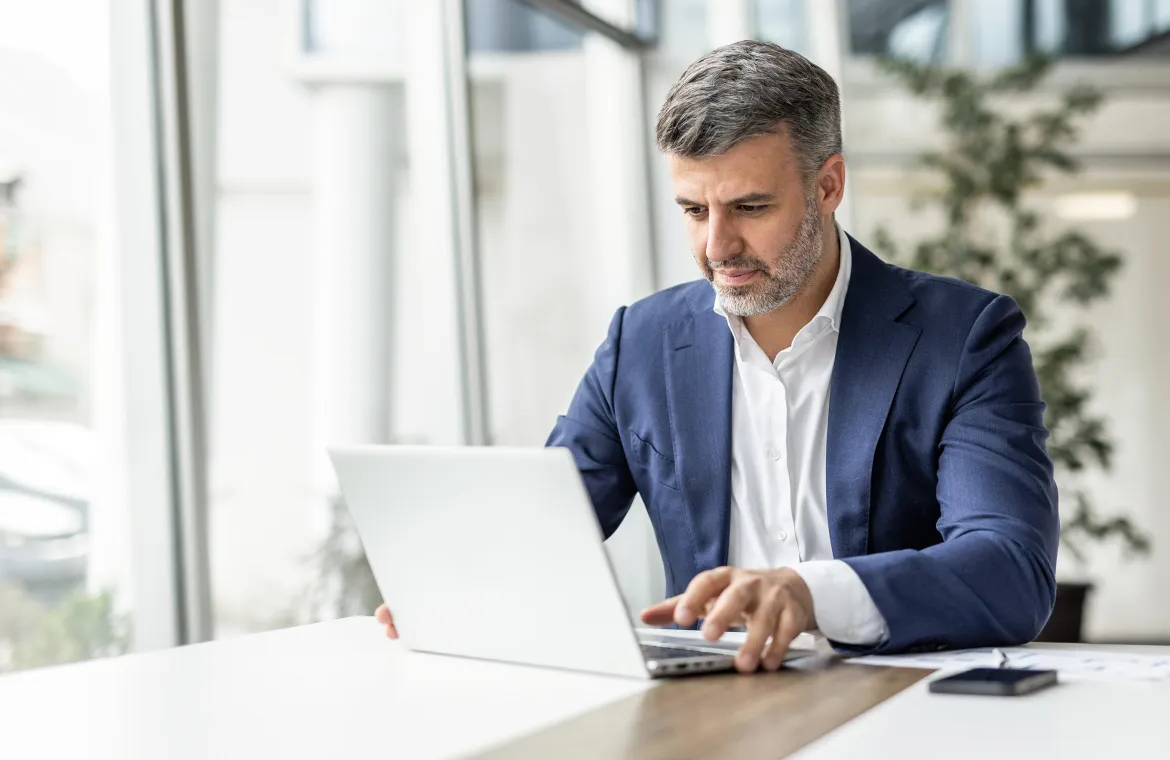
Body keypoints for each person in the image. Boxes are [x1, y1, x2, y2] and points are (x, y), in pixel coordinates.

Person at [376, 40, 1059, 672]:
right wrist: (456, 584)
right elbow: (547, 527)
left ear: (828, 186)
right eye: (693, 211)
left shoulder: (963, 337)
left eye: (750, 208)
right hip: (707, 700)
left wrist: (809, 594)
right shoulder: (640, 343)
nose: (716, 247)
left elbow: (1010, 569)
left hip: (892, 704)